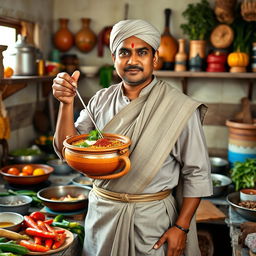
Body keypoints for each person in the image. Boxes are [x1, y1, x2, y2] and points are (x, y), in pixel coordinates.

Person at [52, 19, 212, 256]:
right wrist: (66, 105)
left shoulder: (178, 107)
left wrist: (181, 226)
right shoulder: (100, 100)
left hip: (152, 224)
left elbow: (197, 172)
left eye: (142, 52)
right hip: (102, 217)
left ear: (155, 58)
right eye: (124, 52)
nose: (133, 60)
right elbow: (66, 151)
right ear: (114, 58)